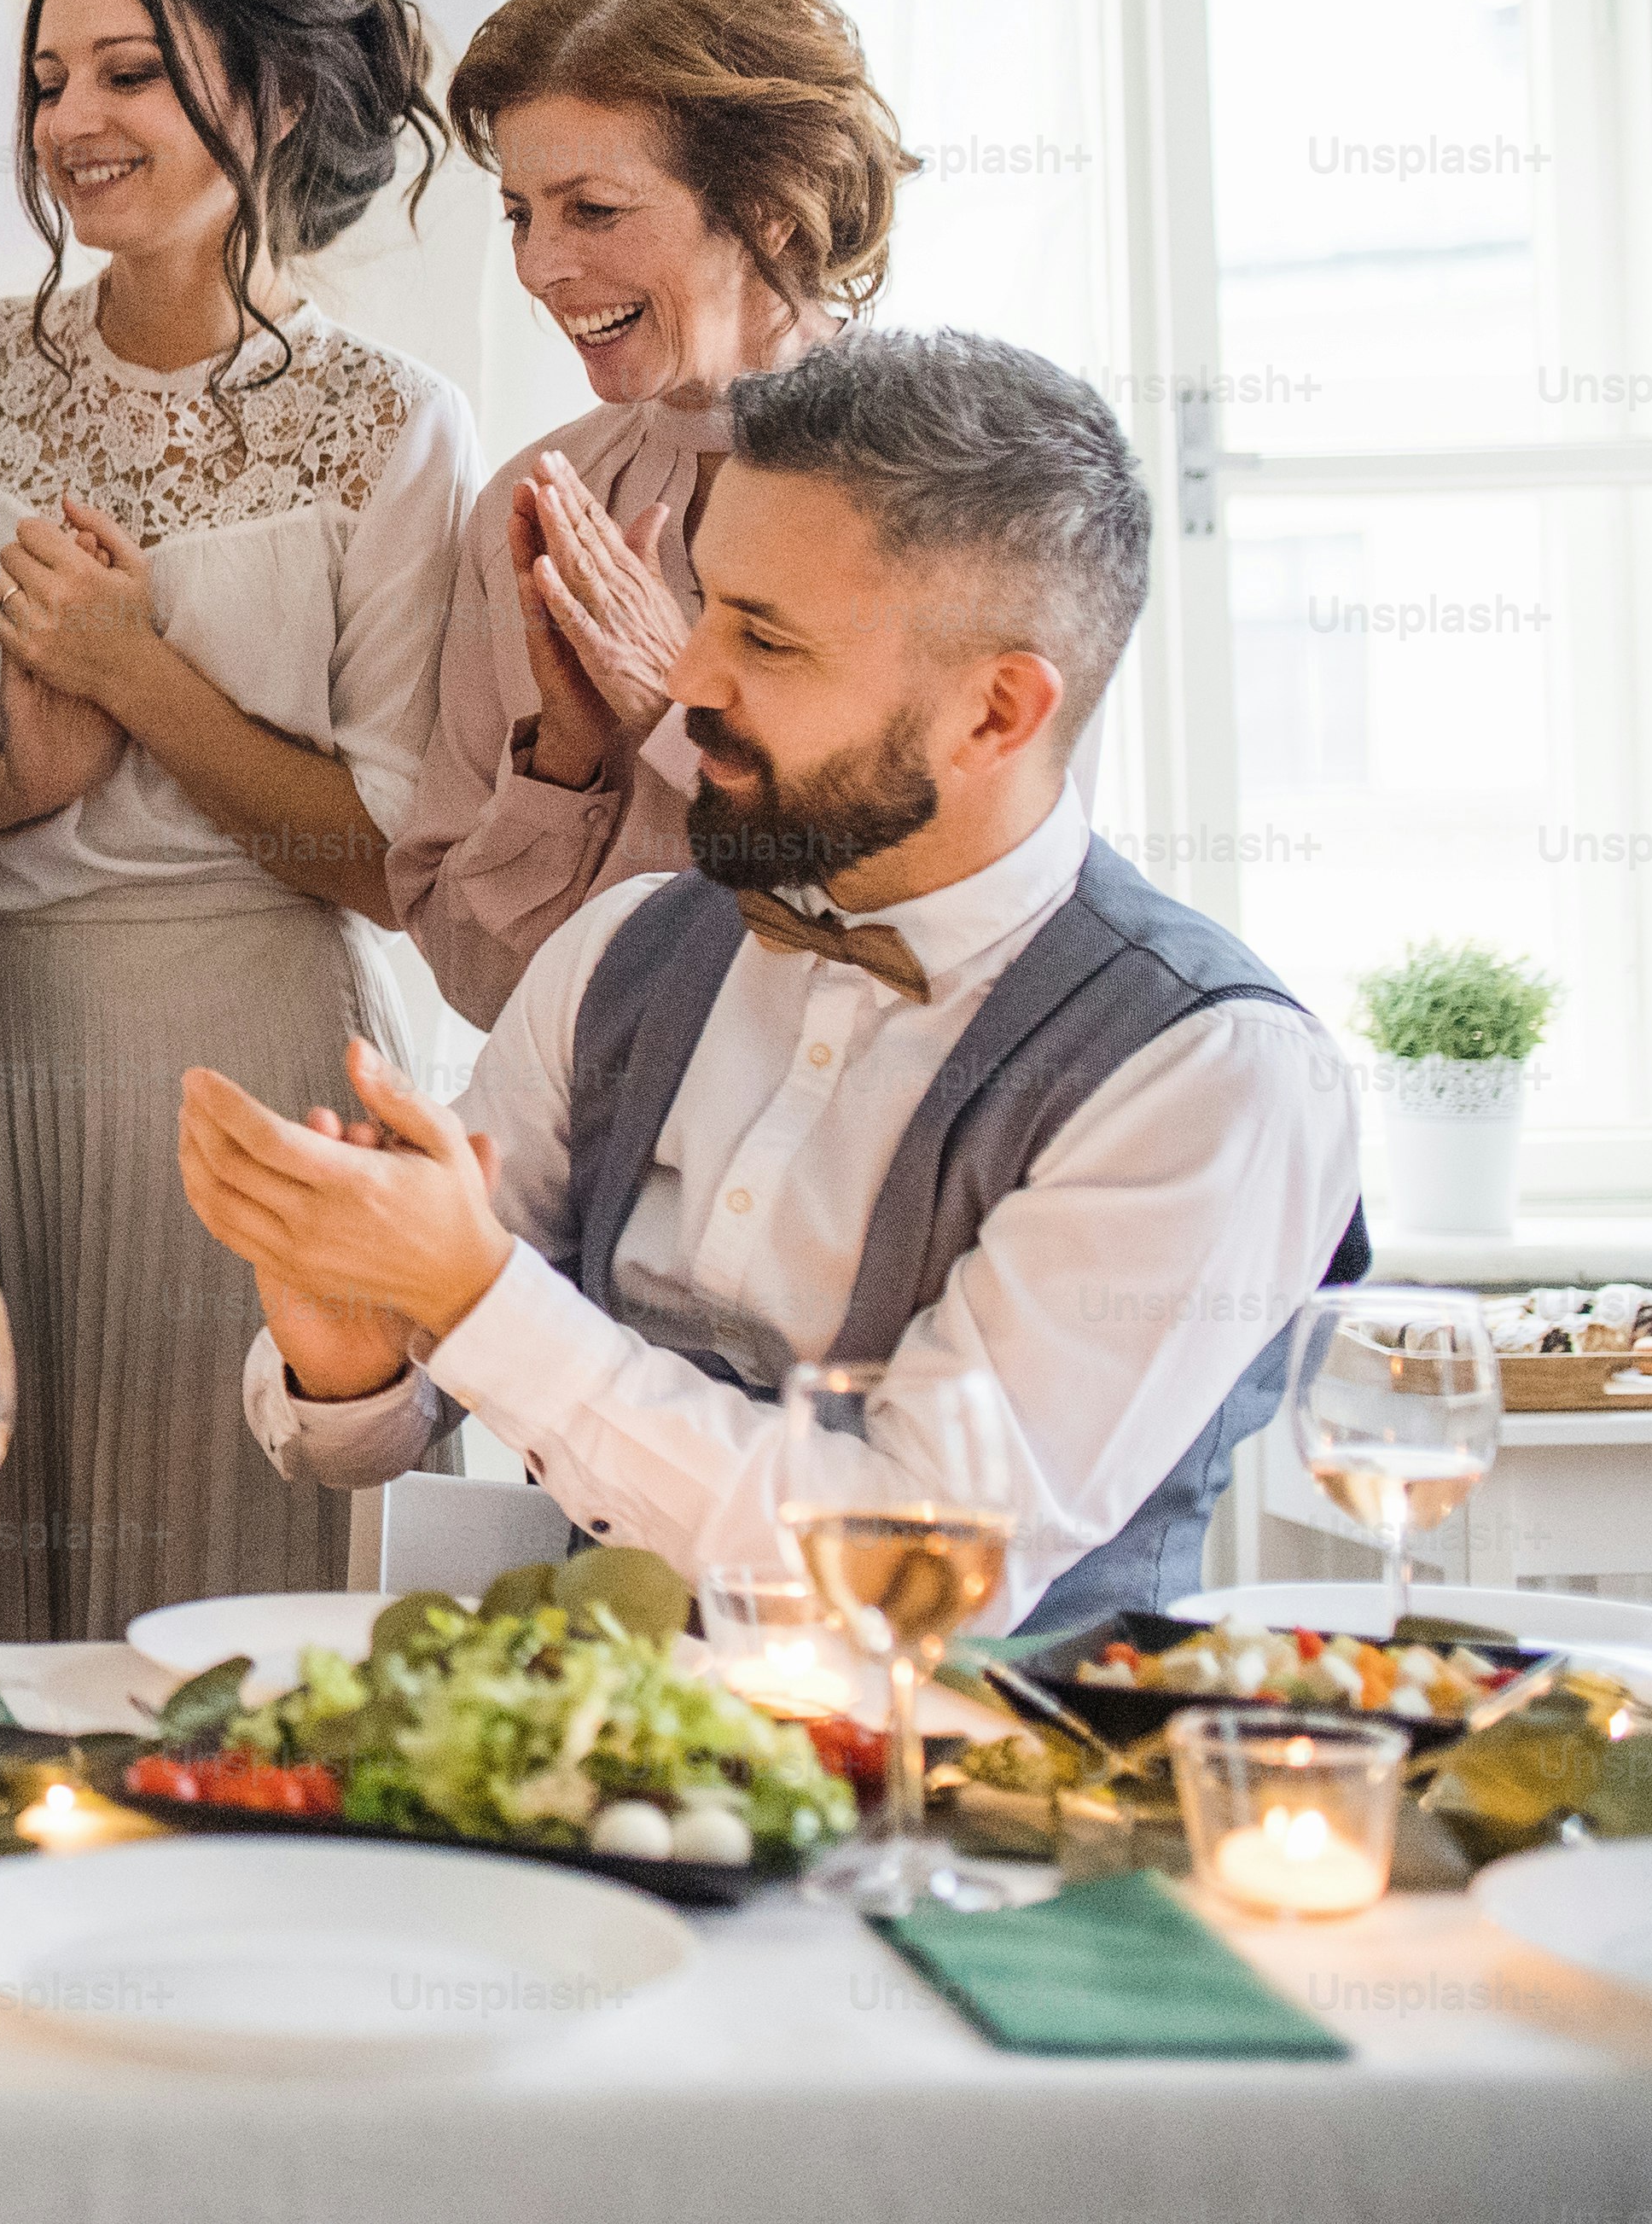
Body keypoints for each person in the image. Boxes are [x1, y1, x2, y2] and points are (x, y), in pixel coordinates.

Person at [186, 330, 1364, 1635]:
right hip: (585, 1736)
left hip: (1000, 1758)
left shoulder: (1210, 1073)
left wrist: (470, 1296)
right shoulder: (620, 949)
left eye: (765, 638)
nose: (684, 676)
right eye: (703, 602)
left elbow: (912, 1574)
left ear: (993, 714)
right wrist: (351, 1353)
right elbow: (367, 1430)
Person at [0, 0, 472, 1639]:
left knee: (238, 1598)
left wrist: (140, 680)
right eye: (49, 79)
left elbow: (390, 861)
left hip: (259, 1049)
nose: (72, 121)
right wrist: (29, 784)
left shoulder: (390, 426)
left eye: (130, 72)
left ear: (273, 93)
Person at [390, 0, 912, 1028]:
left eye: (592, 209)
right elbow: (474, 975)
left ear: (770, 203)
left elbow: (950, 940)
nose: (539, 266)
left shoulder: (950, 487)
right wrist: (565, 764)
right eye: (520, 213)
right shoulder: (533, 506)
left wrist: (679, 711)